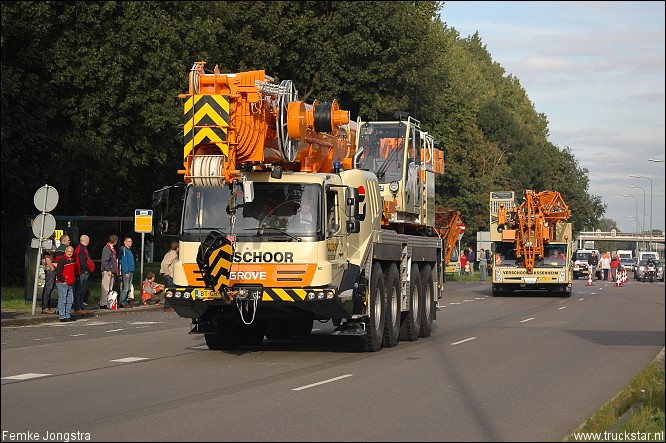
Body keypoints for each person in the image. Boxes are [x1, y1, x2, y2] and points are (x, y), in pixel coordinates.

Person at [73, 234, 94, 315]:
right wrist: (87, 269)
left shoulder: (82, 248)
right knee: (80, 290)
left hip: (82, 271)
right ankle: (78, 307)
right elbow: (83, 261)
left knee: (82, 290)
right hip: (82, 272)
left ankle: (81, 306)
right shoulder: (81, 249)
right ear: (85, 240)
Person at [54, 245, 76, 322]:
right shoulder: (62, 260)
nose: (69, 253)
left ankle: (68, 315)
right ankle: (62, 316)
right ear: (65, 252)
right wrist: (63, 280)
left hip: (70, 282)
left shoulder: (72, 260)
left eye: (71, 251)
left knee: (70, 300)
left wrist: (72, 280)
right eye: (68, 251)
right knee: (63, 299)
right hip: (63, 283)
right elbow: (58, 272)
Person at [99, 235, 119, 309]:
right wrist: (108, 269)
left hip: (111, 271)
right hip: (107, 271)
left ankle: (107, 302)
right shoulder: (107, 249)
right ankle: (103, 303)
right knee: (106, 287)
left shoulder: (111, 249)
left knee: (110, 288)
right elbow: (104, 261)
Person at [160, 241, 179, 312]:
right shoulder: (173, 255)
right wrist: (167, 273)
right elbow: (165, 264)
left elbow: (163, 263)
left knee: (169, 291)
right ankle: (168, 307)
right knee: (170, 292)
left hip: (169, 275)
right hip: (171, 275)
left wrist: (162, 272)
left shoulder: (169, 253)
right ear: (177, 247)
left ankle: (168, 307)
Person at [118, 236, 135, 308]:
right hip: (127, 272)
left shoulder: (129, 250)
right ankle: (122, 302)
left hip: (131, 271)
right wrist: (126, 271)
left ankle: (125, 301)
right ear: (125, 242)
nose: (130, 243)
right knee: (126, 288)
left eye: (131, 241)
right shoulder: (124, 250)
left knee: (128, 288)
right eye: (128, 241)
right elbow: (124, 261)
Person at [41, 250, 57, 314]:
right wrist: (52, 268)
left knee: (50, 288)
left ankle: (48, 306)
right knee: (48, 288)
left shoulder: (52, 242)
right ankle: (45, 307)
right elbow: (46, 257)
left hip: (50, 269)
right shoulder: (47, 243)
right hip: (49, 269)